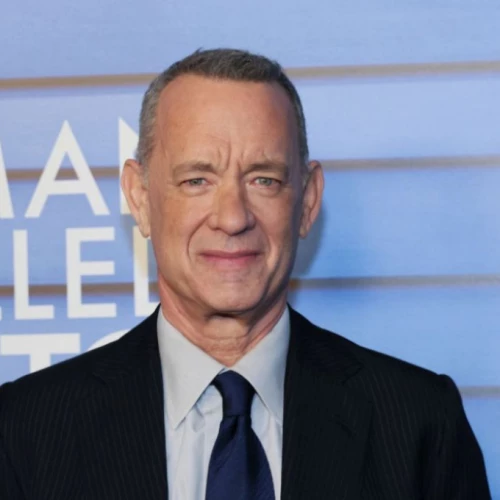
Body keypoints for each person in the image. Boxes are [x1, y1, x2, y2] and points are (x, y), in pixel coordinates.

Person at [0, 48, 491, 499]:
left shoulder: (421, 425)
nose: (233, 217)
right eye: (197, 180)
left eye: (264, 179)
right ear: (140, 197)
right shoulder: (24, 432)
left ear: (308, 200)